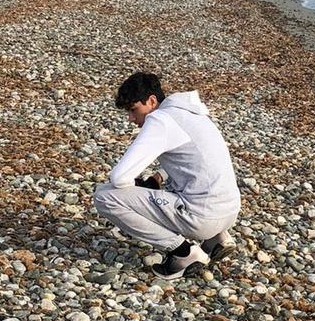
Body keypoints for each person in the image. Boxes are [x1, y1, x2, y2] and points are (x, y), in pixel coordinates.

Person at [93, 72, 240, 279]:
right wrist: (156, 179)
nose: (131, 118)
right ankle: (216, 239)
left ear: (152, 101)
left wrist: (139, 188)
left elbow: (119, 178)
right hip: (229, 211)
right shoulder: (193, 113)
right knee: (184, 183)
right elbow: (193, 162)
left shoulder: (160, 120)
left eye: (134, 110)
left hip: (202, 217)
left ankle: (183, 252)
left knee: (104, 197)